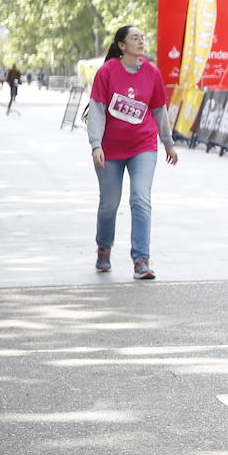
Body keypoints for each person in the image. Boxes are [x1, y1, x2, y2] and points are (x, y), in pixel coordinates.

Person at [88, 25, 179, 280]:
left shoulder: (152, 73)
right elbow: (96, 110)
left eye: (142, 38)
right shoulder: (107, 72)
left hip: (143, 146)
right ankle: (104, 249)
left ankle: (141, 259)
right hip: (110, 150)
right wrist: (96, 144)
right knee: (109, 204)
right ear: (122, 45)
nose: (141, 41)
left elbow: (159, 110)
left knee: (140, 199)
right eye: (134, 38)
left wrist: (168, 142)